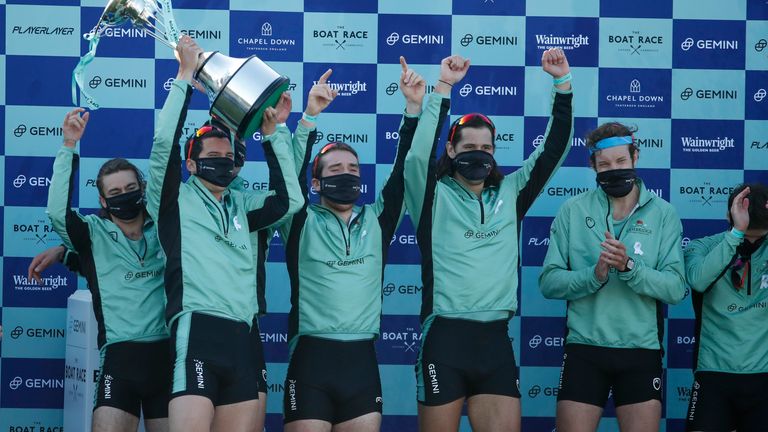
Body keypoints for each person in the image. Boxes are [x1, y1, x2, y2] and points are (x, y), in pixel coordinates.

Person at [404, 48, 573, 432]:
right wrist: (443, 87)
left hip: (495, 341)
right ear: (450, 150)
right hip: (444, 336)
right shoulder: (431, 194)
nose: (478, 155)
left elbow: (554, 149)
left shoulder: (511, 191)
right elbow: (415, 159)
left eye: (486, 149)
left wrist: (562, 84)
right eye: (468, 148)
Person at [146, 35, 302, 432]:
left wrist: (273, 134)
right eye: (211, 157)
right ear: (192, 164)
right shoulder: (172, 202)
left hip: (242, 335)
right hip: (197, 330)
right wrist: (183, 76)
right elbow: (164, 141)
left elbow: (290, 202)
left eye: (228, 158)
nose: (222, 162)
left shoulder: (243, 206)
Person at [276, 59, 424, 432]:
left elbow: (405, 168)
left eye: (353, 171)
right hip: (311, 359)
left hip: (361, 363)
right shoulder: (299, 219)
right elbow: (288, 180)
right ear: (315, 184)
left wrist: (413, 109)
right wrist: (309, 116)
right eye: (336, 171)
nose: (347, 176)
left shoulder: (377, 220)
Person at [539, 123, 686, 432]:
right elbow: (549, 282)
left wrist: (630, 267)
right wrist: (593, 275)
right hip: (584, 348)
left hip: (641, 351)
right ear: (593, 165)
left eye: (621, 161)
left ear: (635, 156)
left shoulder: (664, 213)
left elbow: (675, 289)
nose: (613, 169)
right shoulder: (572, 210)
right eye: (604, 164)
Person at [47, 109, 170, 432]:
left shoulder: (168, 227)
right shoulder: (91, 234)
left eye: (130, 188)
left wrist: (61, 253)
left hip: (169, 357)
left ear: (142, 188)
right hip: (119, 358)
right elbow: (57, 214)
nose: (124, 196)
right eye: (115, 193)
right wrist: (69, 145)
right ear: (102, 200)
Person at [684, 183, 768, 432]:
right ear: (728, 217)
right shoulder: (701, 246)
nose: (752, 243)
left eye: (760, 236)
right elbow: (698, 280)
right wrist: (736, 235)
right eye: (747, 233)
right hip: (713, 374)